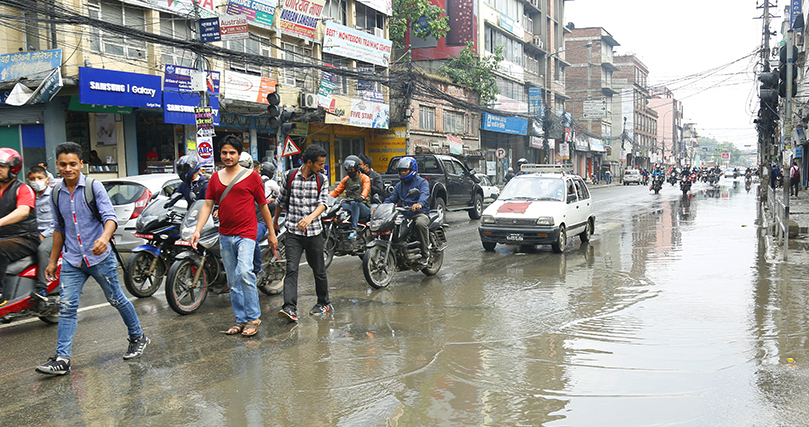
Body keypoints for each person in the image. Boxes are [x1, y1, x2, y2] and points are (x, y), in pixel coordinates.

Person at [36, 142, 149, 376]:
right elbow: (59, 229)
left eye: (73, 164)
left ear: (81, 164)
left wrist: (104, 238)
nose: (68, 168)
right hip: (72, 260)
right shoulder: (56, 193)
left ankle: (138, 336)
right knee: (67, 307)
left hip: (100, 259)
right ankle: (62, 359)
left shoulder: (93, 187)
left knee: (116, 299)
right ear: (56, 166)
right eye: (63, 164)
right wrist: (52, 260)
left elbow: (110, 218)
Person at [190, 136, 277, 336]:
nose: (228, 157)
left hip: (246, 233)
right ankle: (241, 319)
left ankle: (254, 317)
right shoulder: (214, 178)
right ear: (220, 154)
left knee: (244, 272)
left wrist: (271, 233)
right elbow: (207, 205)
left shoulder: (251, 176)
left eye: (232, 153)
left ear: (239, 154)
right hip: (225, 235)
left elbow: (263, 206)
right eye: (224, 153)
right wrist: (197, 230)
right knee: (232, 279)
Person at [274, 144, 331, 323]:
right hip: (293, 232)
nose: (323, 167)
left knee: (319, 270)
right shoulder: (289, 176)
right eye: (320, 164)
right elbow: (281, 201)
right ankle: (289, 308)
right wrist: (275, 221)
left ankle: (324, 302)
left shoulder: (322, 179)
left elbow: (323, 203)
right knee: (291, 269)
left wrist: (310, 218)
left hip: (314, 232)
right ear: (308, 162)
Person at [0, 148, 39, 305]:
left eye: (2, 166)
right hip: (5, 237)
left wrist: (0, 222)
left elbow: (22, 211)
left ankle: (0, 294)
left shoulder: (23, 189)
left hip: (26, 237)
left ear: (13, 168)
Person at [383, 156, 430, 265]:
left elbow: (424, 194)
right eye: (401, 171)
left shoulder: (422, 182)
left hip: (419, 213)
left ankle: (425, 254)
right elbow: (392, 199)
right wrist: (382, 206)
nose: (403, 173)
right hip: (404, 213)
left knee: (420, 224)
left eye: (405, 170)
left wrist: (419, 204)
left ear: (412, 169)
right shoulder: (399, 185)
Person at [27, 166, 54, 297]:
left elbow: (59, 221)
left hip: (53, 233)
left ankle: (42, 287)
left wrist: (43, 235)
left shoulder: (54, 196)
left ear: (47, 180)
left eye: (40, 178)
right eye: (32, 179)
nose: (36, 181)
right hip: (33, 235)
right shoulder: (28, 197)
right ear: (28, 181)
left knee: (42, 250)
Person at [329, 155, 371, 240]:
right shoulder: (346, 180)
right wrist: (326, 199)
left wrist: (362, 197)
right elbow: (336, 192)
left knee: (355, 203)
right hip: (350, 205)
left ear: (357, 168)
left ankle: (354, 230)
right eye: (348, 170)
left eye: (351, 170)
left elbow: (366, 189)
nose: (349, 172)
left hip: (363, 207)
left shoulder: (364, 178)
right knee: (336, 204)